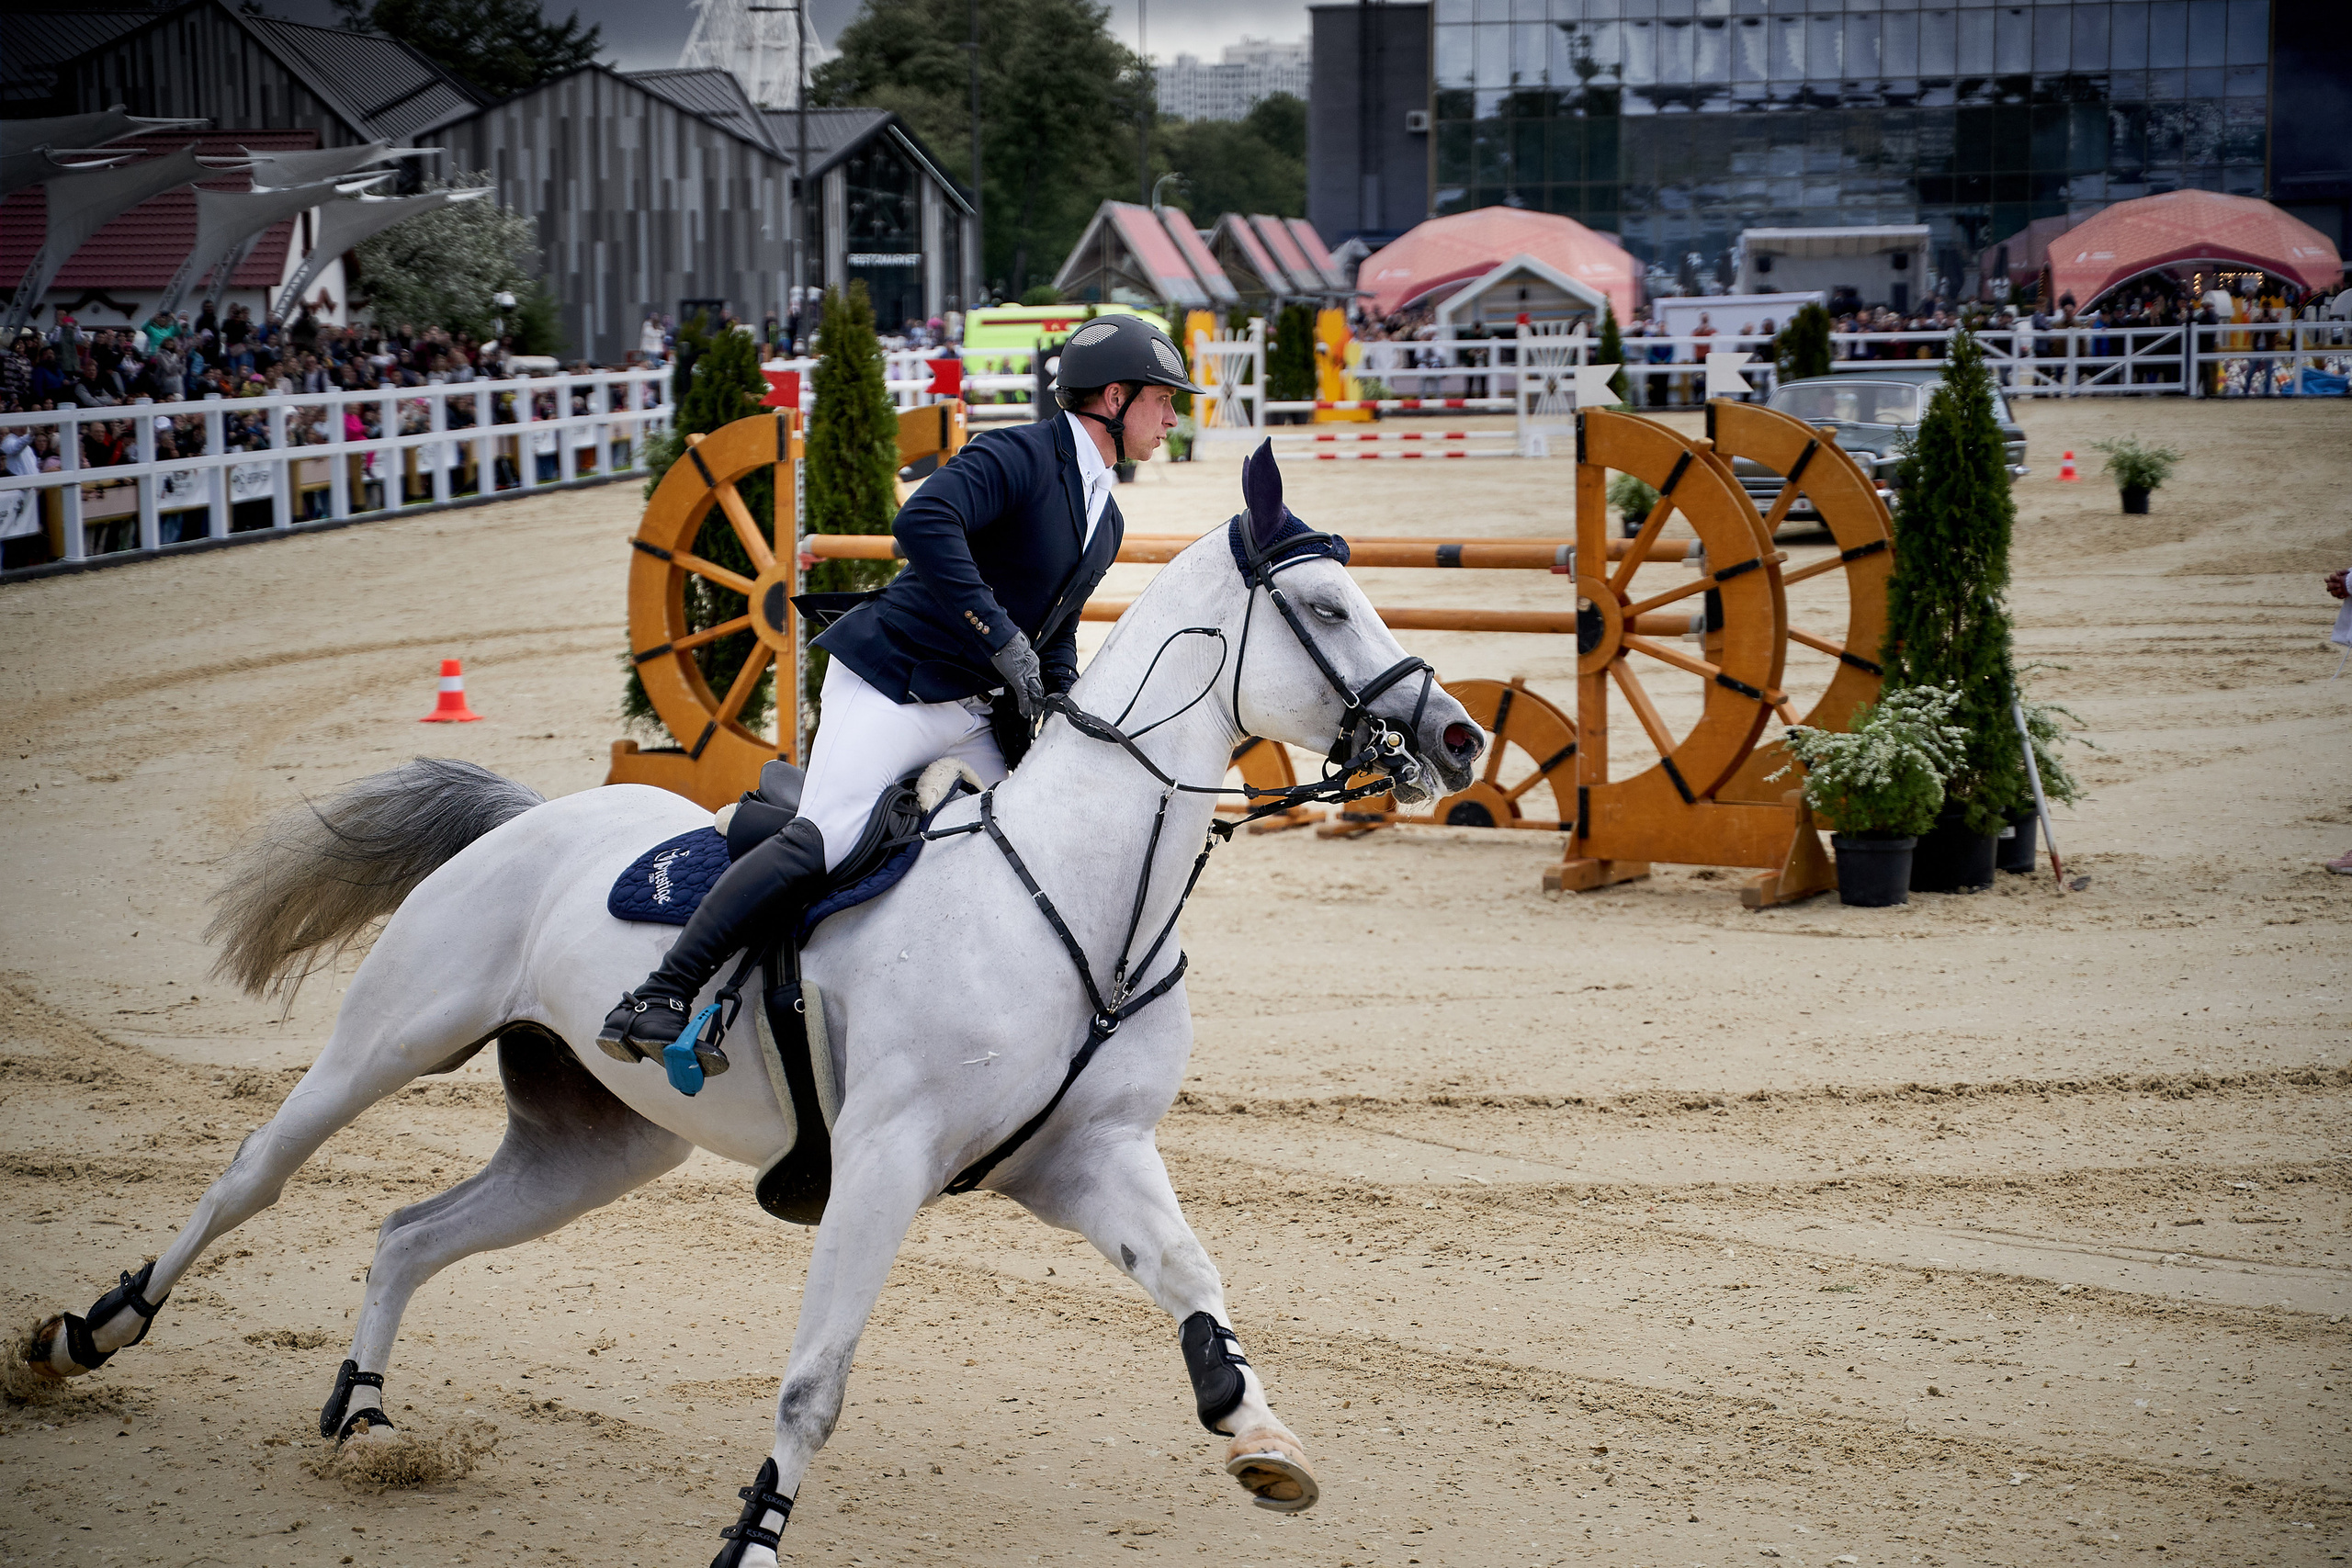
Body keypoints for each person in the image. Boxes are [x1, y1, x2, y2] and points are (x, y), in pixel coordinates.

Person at [597, 312, 1204, 1056]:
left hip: (980, 715)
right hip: (899, 683)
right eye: (1163, 399)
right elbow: (924, 518)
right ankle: (663, 989)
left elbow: (1058, 622)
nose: (1173, 415)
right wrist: (999, 635)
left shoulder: (1103, 514)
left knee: (1029, 846)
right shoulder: (1016, 453)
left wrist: (1061, 692)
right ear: (1114, 397)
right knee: (829, 837)